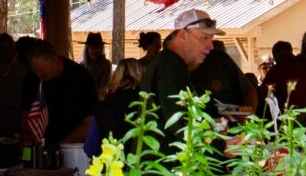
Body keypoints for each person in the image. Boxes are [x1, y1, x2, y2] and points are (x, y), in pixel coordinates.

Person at [92, 11, 229, 139]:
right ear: (183, 35)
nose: (211, 46)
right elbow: (179, 124)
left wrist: (212, 125)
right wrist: (219, 144)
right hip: (163, 154)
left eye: (211, 39)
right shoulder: (170, 66)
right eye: (204, 38)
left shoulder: (171, 63)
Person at [23, 37, 101, 148]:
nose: (39, 75)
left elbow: (89, 122)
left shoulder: (80, 78)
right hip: (41, 145)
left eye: (42, 71)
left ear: (55, 61)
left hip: (72, 147)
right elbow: (26, 115)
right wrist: (27, 142)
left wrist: (60, 145)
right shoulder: (32, 78)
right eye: (36, 72)